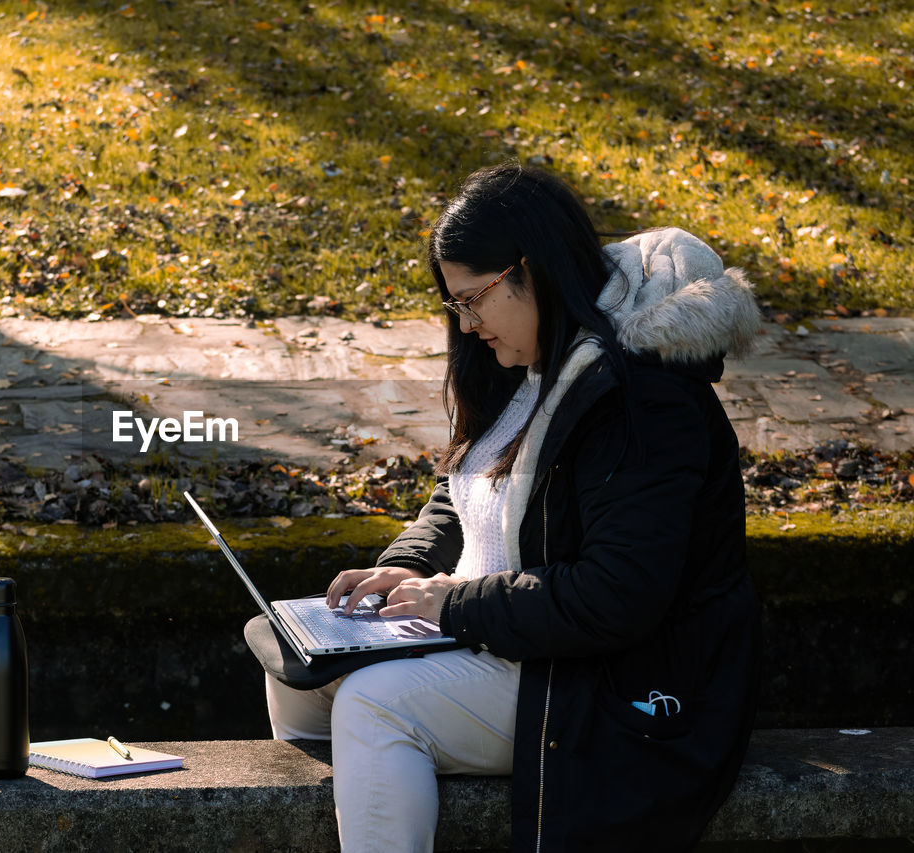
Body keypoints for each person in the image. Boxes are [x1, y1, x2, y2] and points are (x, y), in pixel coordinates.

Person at [263, 163, 763, 852]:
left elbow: (618, 594)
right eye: (456, 307)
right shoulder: (530, 361)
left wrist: (454, 604)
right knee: (300, 674)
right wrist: (407, 567)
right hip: (508, 634)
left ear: (530, 269)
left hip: (617, 684)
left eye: (474, 300)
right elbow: (469, 486)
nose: (467, 326)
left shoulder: (641, 398)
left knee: (374, 705)